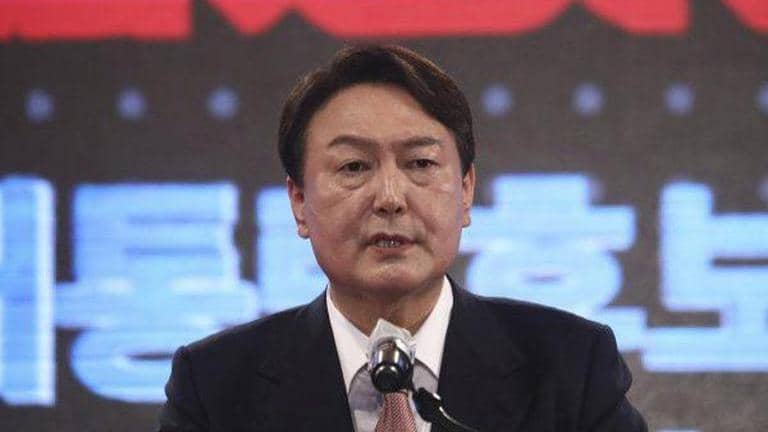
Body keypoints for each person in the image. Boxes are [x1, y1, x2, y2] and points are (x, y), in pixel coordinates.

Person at [157, 45, 647, 432]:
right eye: (354, 167)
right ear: (299, 201)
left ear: (466, 191)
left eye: (420, 163)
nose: (390, 197)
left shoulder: (570, 367)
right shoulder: (216, 387)